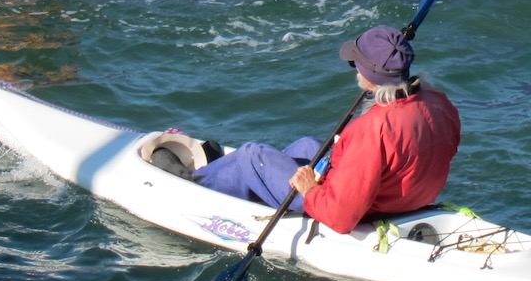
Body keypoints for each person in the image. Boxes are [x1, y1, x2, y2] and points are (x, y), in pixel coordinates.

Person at [192, 26, 461, 234]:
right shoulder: (438, 101)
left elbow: (340, 216)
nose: (354, 69)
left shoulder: (372, 129)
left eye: (356, 63)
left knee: (253, 156)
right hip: (409, 199)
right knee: (308, 146)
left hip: (364, 210)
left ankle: (193, 184)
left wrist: (310, 190)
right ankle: (237, 180)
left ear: (371, 76)